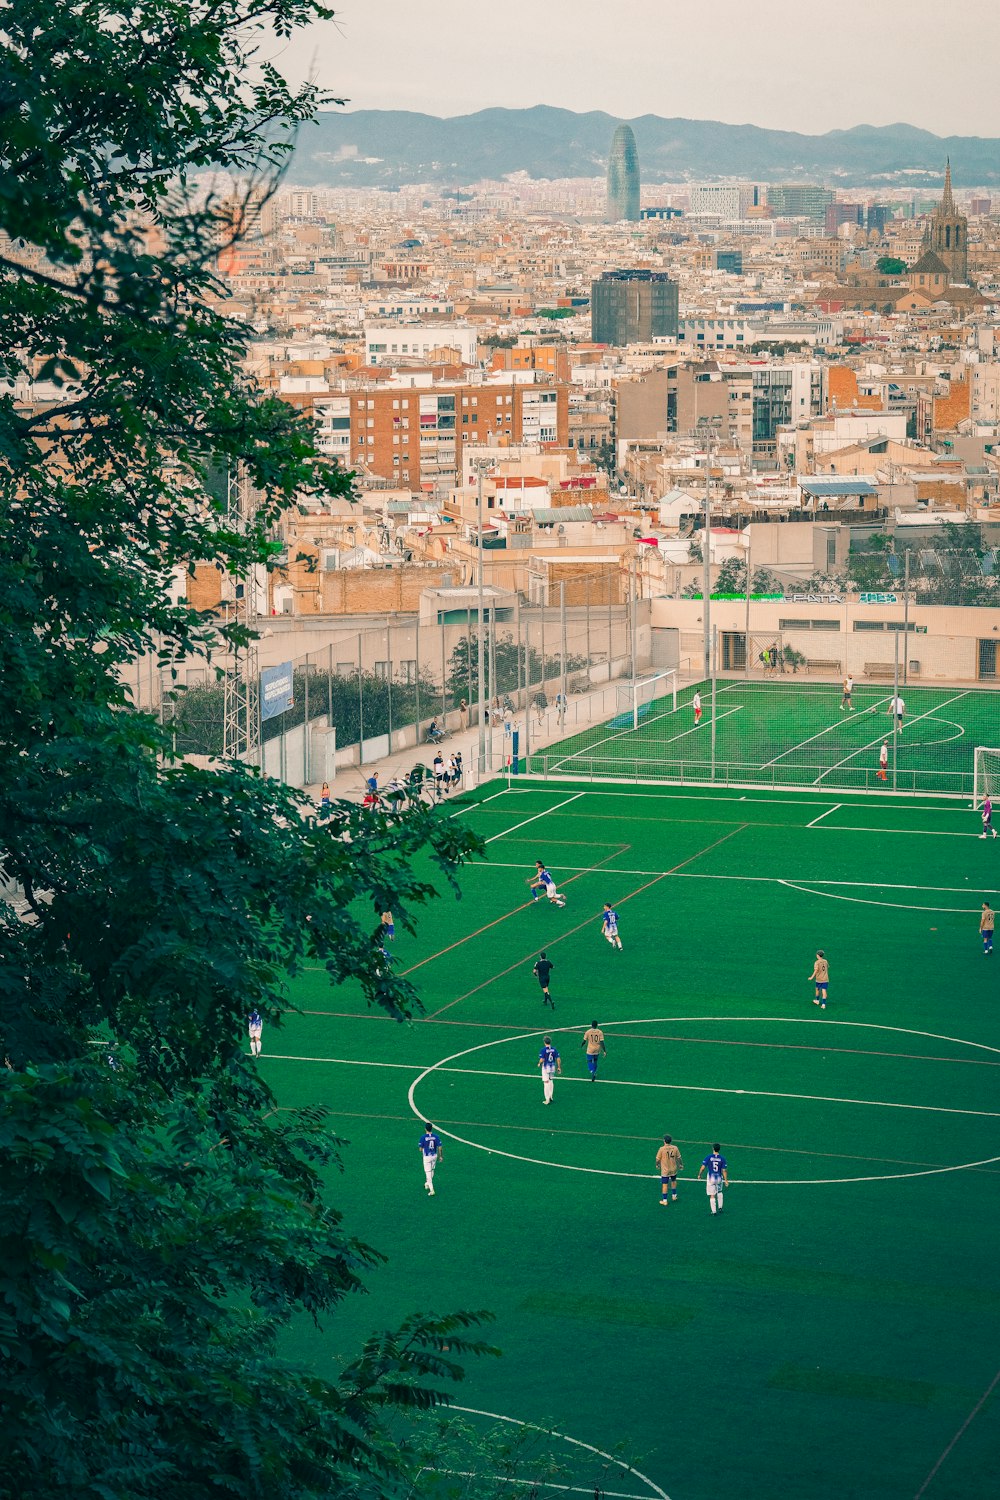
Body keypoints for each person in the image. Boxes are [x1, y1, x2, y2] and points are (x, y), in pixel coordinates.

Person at [697, 1144, 729, 1215]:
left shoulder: (709, 1157)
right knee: (720, 1191)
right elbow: (724, 1170)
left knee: (712, 1195)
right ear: (719, 1149)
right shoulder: (722, 1158)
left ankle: (714, 1211)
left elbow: (702, 1168)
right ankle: (720, 1207)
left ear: (713, 1148)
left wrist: (699, 1175)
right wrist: (726, 1180)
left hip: (711, 1178)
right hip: (719, 1177)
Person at [656, 1134, 683, 1206]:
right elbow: (679, 1157)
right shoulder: (675, 1148)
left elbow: (657, 1159)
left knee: (665, 1185)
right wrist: (681, 1164)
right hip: (673, 1169)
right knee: (673, 1181)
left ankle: (665, 1201)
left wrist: (657, 1164)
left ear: (664, 1141)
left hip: (665, 1170)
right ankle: (674, 1196)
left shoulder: (661, 1149)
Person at [418, 1122, 443, 1195]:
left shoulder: (423, 1137)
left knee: (428, 1173)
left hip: (427, 1157)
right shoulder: (436, 1136)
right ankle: (427, 1183)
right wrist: (441, 1156)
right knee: (431, 1170)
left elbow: (420, 1149)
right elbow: (440, 1147)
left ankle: (432, 1190)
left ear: (425, 1128)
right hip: (434, 1156)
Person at [537, 1035, 561, 1104]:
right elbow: (558, 1059)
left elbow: (542, 1059)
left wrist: (539, 1063)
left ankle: (547, 1099)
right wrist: (559, 1067)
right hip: (552, 1067)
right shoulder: (554, 1049)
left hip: (545, 1067)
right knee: (551, 1080)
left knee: (546, 1082)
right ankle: (551, 1096)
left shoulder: (543, 1050)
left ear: (544, 1042)